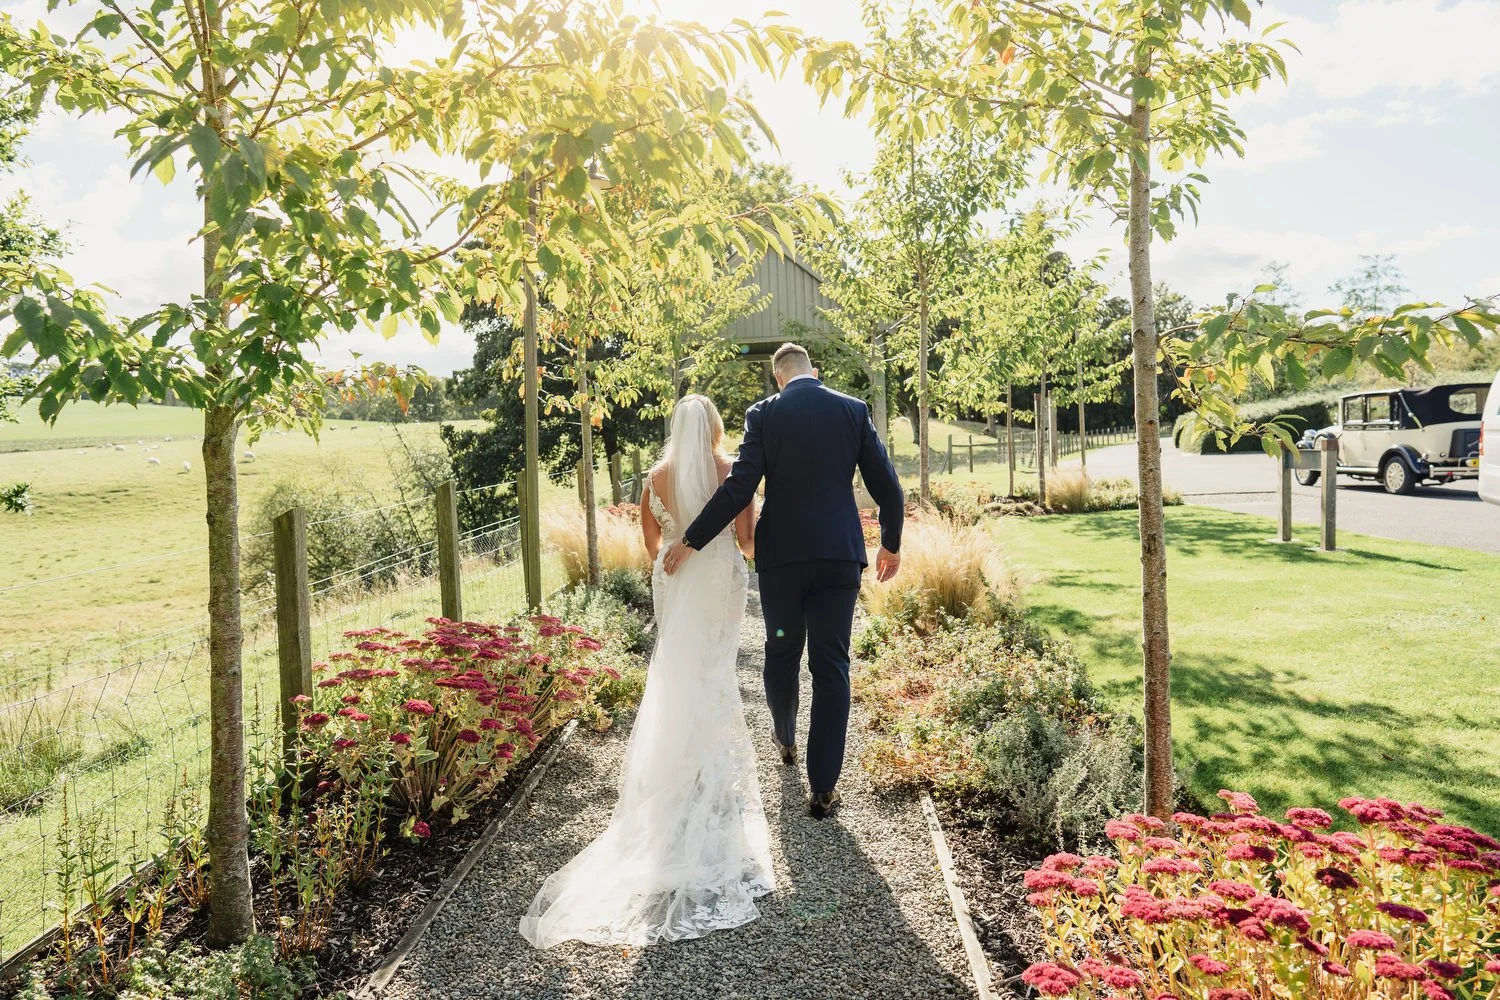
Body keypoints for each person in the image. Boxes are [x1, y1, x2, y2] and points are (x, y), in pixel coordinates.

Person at [519, 394, 773, 948]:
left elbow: (651, 544)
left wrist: (672, 564)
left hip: (675, 579)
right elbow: (749, 543)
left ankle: (675, 770)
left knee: (676, 672)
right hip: (721, 578)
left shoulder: (655, 477)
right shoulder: (732, 470)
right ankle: (708, 775)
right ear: (714, 427)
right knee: (714, 672)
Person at [663, 342, 903, 820]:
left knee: (782, 650)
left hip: (782, 560)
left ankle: (785, 734)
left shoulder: (764, 414)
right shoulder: (853, 411)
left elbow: (739, 487)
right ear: (814, 370)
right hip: (838, 557)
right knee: (832, 664)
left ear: (778, 378)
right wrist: (891, 543)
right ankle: (823, 786)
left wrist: (691, 539)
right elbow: (888, 484)